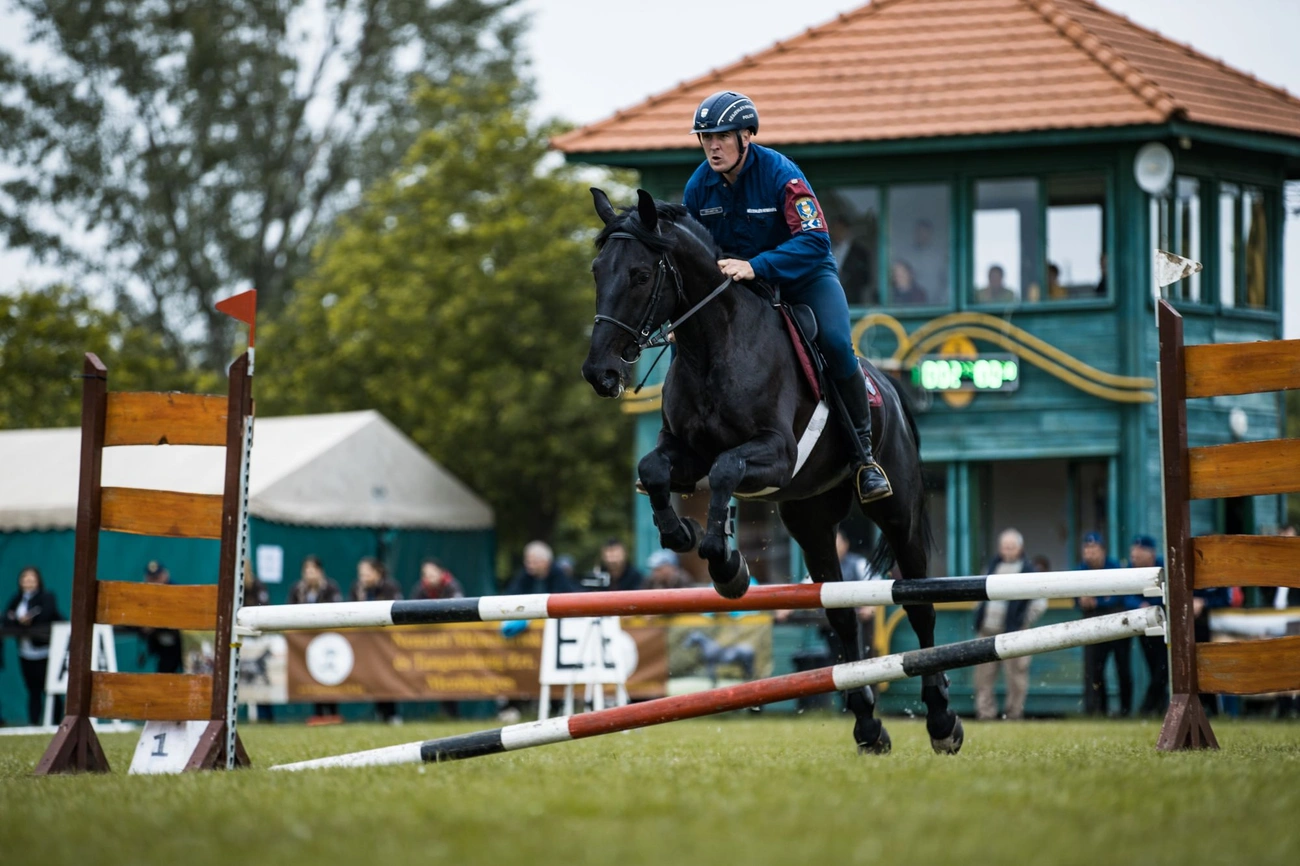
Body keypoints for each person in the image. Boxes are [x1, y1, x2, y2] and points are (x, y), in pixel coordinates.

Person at [682, 90, 891, 505]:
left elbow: (815, 241)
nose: (712, 146)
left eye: (721, 136)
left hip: (805, 278)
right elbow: (696, 259)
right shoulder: (697, 187)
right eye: (706, 137)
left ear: (746, 136)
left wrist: (756, 265)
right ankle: (685, 447)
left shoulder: (782, 174)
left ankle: (864, 458)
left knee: (835, 343)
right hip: (744, 288)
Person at [972, 529, 1046, 720]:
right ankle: (985, 713)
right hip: (987, 630)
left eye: (1012, 547)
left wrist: (1022, 621)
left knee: (1016, 677)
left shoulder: (1028, 570)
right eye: (1005, 546)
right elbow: (979, 595)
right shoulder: (991, 567)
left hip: (1015, 633)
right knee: (983, 676)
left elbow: (1040, 603)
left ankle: (1014, 714)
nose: (1008, 550)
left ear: (1020, 548)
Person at [1075, 532, 1135, 716]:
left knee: (1122, 667)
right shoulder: (1080, 570)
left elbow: (1122, 597)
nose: (1090, 554)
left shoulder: (1114, 567)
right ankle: (1098, 710)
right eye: (1087, 549)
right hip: (1093, 624)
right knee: (1094, 669)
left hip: (1118, 623)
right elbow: (1075, 598)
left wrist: (1098, 601)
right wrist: (1082, 601)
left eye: (1094, 549)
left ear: (1102, 550)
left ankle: (1125, 710)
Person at [4, 567, 64, 725]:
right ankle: (34, 723)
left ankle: (57, 723)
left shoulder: (47, 597)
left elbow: (47, 614)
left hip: (45, 652)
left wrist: (30, 621)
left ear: (38, 581)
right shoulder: (17, 599)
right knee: (33, 690)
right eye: (25, 578)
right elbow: (7, 617)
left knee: (51, 689)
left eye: (32, 579)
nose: (28, 582)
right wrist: (19, 622)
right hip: (25, 653)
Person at [287, 555, 343, 721]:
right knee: (312, 673)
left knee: (330, 674)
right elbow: (289, 611)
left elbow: (336, 612)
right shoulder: (297, 589)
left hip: (328, 639)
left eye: (313, 570)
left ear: (320, 571)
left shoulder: (331, 588)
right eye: (306, 570)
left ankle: (333, 712)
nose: (309, 573)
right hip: (305, 641)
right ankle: (318, 712)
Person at [351, 557, 403, 723]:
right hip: (366, 643)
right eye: (361, 574)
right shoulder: (357, 589)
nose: (363, 578)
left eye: (366, 573)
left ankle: (392, 714)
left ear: (377, 572)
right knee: (373, 676)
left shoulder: (390, 587)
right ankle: (379, 713)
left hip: (387, 642)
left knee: (388, 676)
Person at [1129, 535, 1168, 716]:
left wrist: (1152, 605)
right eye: (1133, 553)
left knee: (1163, 667)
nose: (1134, 556)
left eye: (1139, 552)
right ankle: (1158, 707)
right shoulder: (1131, 571)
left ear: (1150, 553)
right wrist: (1139, 604)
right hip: (1143, 624)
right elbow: (1126, 596)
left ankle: (1147, 707)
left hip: (1165, 624)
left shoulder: (1162, 568)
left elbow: (1169, 594)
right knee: (1153, 667)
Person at [240, 558, 274, 723]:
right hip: (240, 638)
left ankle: (266, 716)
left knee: (262, 681)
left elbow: (264, 608)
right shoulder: (233, 587)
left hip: (258, 638)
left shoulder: (258, 586)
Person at [139, 561, 183, 674]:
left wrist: (156, 624)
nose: (155, 582)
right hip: (161, 644)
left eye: (157, 578)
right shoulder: (143, 593)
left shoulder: (176, 591)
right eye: (151, 578)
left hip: (181, 641)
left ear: (165, 575)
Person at [829, 213, 875, 305]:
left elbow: (865, 278)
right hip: (830, 298)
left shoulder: (859, 253)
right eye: (835, 229)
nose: (837, 232)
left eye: (840, 229)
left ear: (847, 230)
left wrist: (846, 278)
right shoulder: (827, 248)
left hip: (851, 301)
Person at [505, 541, 576, 595]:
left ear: (546, 562)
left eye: (534, 562)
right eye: (528, 562)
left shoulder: (559, 576)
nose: (530, 566)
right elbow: (511, 594)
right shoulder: (524, 576)